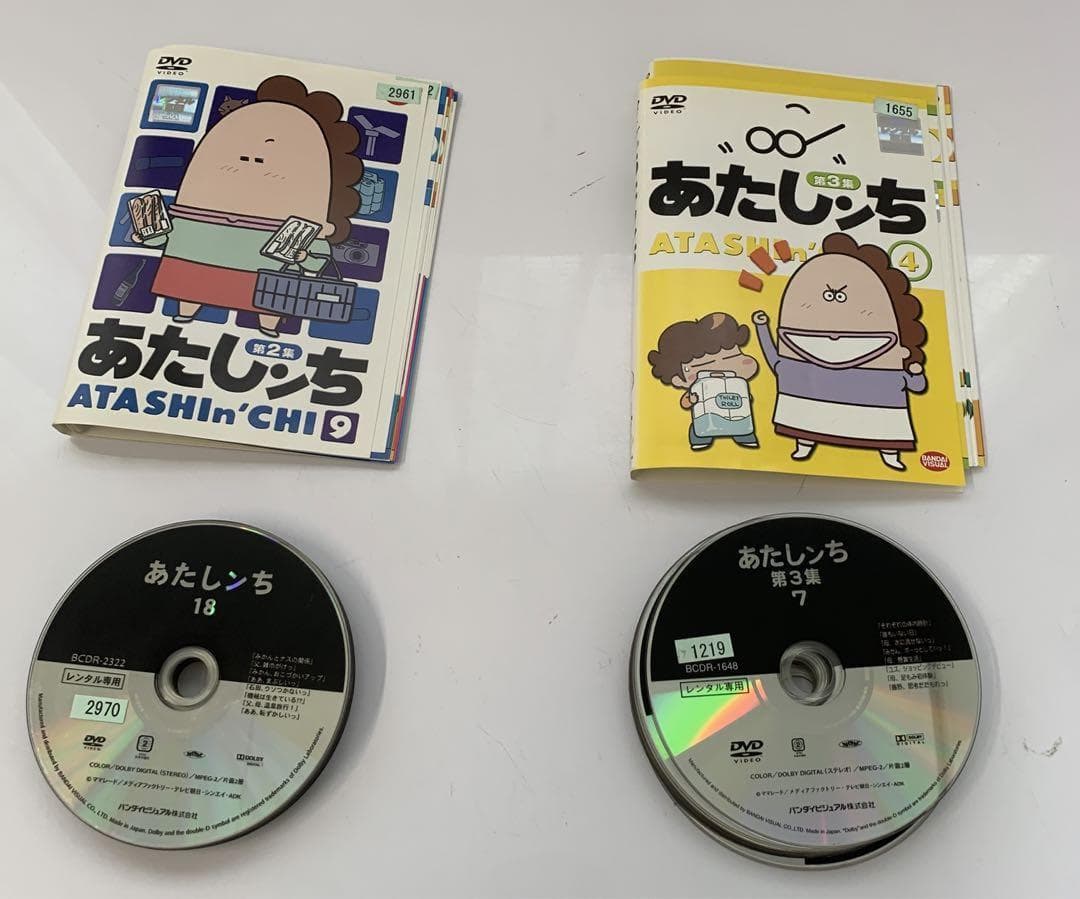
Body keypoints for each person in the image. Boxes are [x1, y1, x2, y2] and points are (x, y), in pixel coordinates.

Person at [134, 75, 363, 337]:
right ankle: (187, 310)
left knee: (269, 297)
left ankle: (267, 324)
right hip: (193, 264)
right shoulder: (191, 213)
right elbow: (168, 237)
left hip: (262, 280)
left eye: (272, 148)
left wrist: (303, 257)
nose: (252, 158)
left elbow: (319, 263)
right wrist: (147, 236)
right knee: (192, 286)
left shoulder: (306, 224)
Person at [753, 232, 927, 471]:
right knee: (805, 428)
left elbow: (916, 385)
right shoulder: (793, 363)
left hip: (877, 414)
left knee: (885, 434)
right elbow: (775, 358)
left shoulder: (889, 367)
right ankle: (805, 443)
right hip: (805, 409)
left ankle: (889, 453)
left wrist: (915, 372)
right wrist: (762, 327)